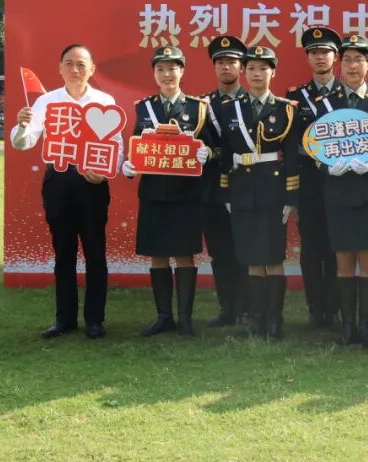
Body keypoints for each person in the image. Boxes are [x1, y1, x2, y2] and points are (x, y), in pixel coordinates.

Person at [11, 44, 124, 339]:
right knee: (63, 252)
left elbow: (117, 146)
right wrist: (21, 126)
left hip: (92, 183)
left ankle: (95, 320)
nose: (75, 69)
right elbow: (24, 143)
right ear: (60, 68)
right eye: (69, 63)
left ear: (92, 69)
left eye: (81, 64)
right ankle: (65, 319)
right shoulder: (46, 102)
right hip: (58, 181)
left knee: (95, 252)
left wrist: (105, 172)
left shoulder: (104, 101)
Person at [122, 46, 211, 337]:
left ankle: (185, 318)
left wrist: (207, 152)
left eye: (172, 68)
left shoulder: (198, 107)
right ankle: (164, 317)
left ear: (182, 71)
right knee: (157, 255)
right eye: (160, 69)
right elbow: (136, 145)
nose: (166, 74)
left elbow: (214, 145)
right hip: (154, 193)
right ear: (154, 73)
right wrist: (129, 165)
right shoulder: (144, 108)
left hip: (186, 194)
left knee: (184, 255)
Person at [215, 45, 299, 340]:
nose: (257, 73)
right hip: (241, 189)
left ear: (273, 72)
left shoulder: (286, 109)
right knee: (251, 256)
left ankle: (274, 321)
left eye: (263, 68)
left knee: (273, 256)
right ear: (244, 72)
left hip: (273, 190)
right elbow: (226, 155)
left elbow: (292, 156)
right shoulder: (229, 108)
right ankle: (256, 319)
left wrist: (291, 197)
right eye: (251, 68)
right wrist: (226, 193)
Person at [320, 34, 368, 349]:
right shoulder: (326, 102)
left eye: (359, 60)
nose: (353, 66)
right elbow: (313, 147)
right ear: (341, 64)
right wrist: (327, 167)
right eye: (348, 60)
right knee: (343, 261)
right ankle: (347, 328)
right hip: (338, 191)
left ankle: (366, 327)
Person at [287, 25, 343, 332]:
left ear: (335, 57)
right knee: (311, 249)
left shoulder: (346, 93)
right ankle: (315, 309)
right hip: (309, 180)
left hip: (339, 179)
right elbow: (291, 147)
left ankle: (334, 309)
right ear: (308, 58)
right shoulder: (296, 97)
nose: (320, 57)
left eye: (325, 52)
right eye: (314, 52)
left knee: (336, 246)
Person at [199, 35, 250, 328]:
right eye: (219, 62)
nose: (225, 67)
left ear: (242, 67)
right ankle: (226, 308)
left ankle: (246, 308)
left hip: (245, 186)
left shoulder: (251, 101)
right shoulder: (202, 105)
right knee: (219, 252)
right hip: (212, 189)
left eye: (231, 61)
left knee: (244, 249)